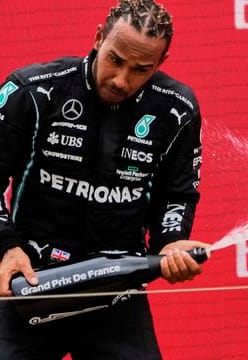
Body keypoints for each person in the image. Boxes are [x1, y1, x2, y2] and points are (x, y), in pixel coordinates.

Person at [0, 0, 210, 358]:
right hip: (30, 280)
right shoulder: (33, 90)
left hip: (117, 291)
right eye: (115, 59)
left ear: (160, 63)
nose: (121, 80)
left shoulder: (176, 109)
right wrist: (5, 247)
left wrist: (172, 241)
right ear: (99, 37)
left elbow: (177, 196)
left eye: (140, 69)